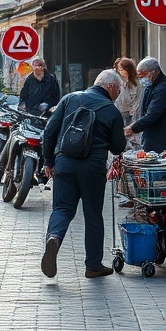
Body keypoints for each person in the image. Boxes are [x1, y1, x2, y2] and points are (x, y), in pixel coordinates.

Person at [39, 68, 126, 279]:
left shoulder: (70, 99)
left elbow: (49, 131)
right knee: (93, 214)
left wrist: (48, 161)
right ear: (110, 87)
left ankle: (54, 238)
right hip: (93, 167)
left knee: (62, 208)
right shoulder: (111, 110)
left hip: (64, 163)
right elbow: (117, 147)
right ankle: (93, 265)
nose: (119, 95)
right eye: (119, 90)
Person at [124, 57, 166, 153]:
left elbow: (151, 115)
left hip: (162, 143)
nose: (141, 79)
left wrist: (131, 129)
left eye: (142, 76)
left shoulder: (163, 89)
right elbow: (145, 112)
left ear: (152, 73)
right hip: (153, 140)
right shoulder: (151, 87)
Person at [113, 57, 143, 131]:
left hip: (133, 114)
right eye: (119, 70)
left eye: (122, 70)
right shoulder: (119, 81)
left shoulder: (138, 83)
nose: (121, 72)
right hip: (120, 113)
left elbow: (139, 100)